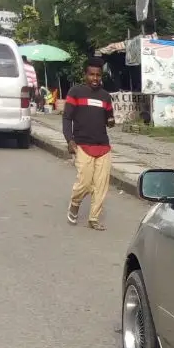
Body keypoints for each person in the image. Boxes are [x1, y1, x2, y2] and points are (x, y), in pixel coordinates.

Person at [63, 58, 115, 231]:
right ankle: (75, 203)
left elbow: (109, 118)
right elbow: (67, 118)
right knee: (84, 182)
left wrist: (111, 121)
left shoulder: (106, 96)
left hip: (103, 146)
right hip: (82, 145)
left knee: (101, 185)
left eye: (98, 75)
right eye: (91, 74)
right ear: (85, 74)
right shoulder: (75, 92)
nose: (94, 78)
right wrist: (69, 139)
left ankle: (93, 218)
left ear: (101, 76)